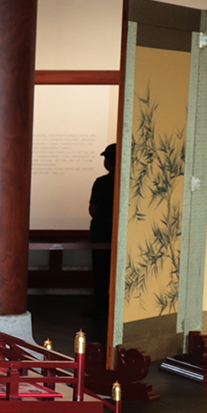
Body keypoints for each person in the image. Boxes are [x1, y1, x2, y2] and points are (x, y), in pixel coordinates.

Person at [89, 143, 116, 333]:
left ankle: (100, 307)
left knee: (100, 271)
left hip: (101, 231)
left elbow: (93, 209)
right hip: (120, 232)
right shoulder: (128, 182)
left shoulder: (102, 182)